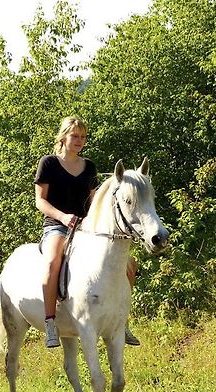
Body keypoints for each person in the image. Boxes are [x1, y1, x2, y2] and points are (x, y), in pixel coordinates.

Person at [34, 116, 140, 348]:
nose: (79, 140)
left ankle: (122, 322)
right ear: (63, 137)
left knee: (129, 264)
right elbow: (40, 201)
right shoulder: (49, 163)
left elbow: (94, 201)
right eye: (75, 136)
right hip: (56, 225)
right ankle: (50, 322)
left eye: (82, 137)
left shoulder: (89, 166)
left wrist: (95, 222)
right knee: (52, 263)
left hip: (86, 228)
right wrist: (63, 217)